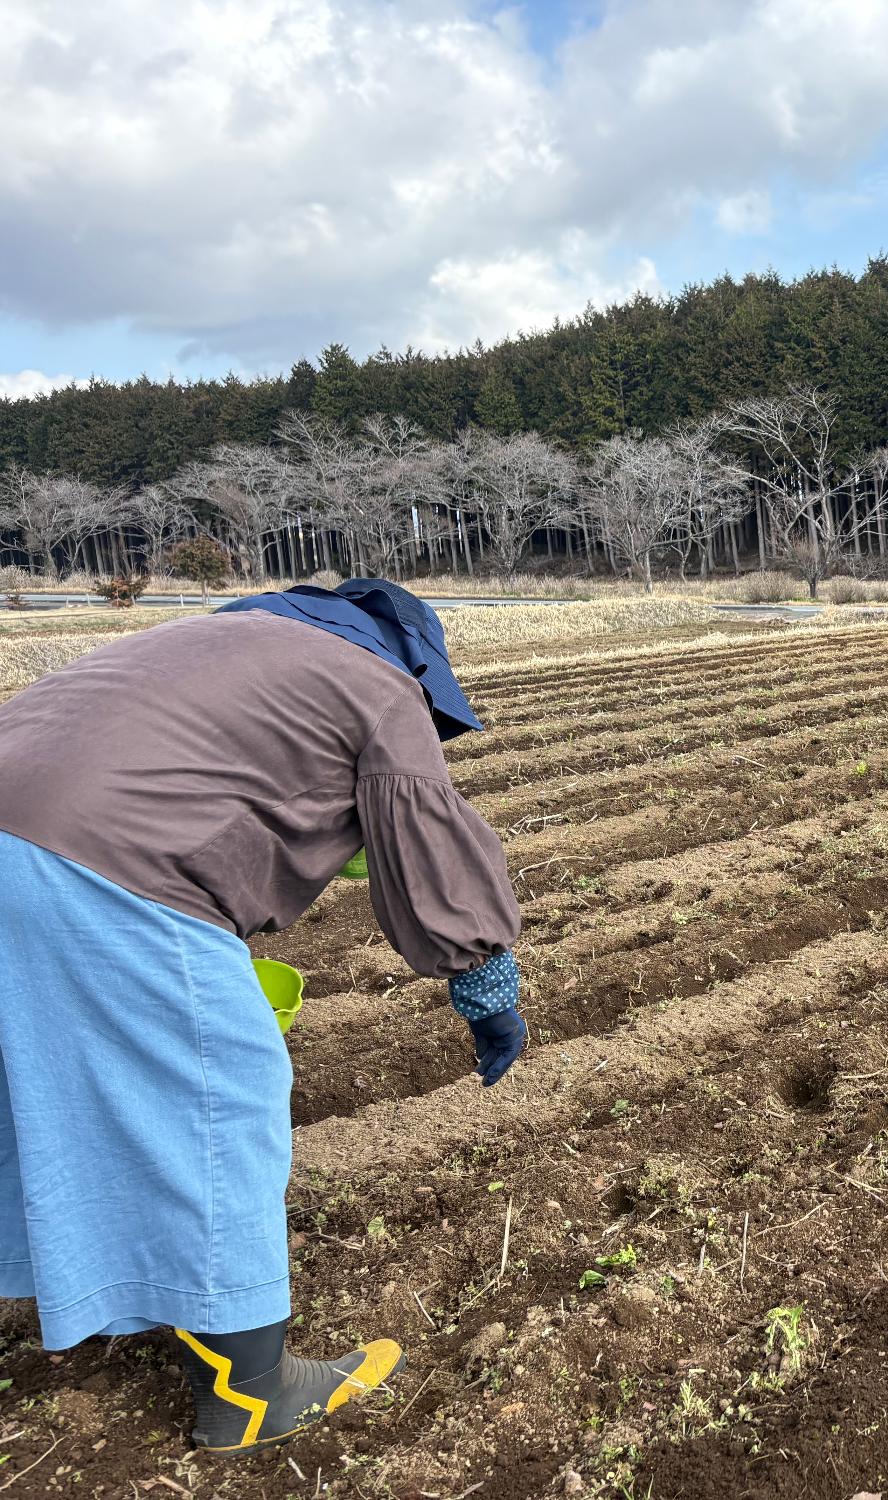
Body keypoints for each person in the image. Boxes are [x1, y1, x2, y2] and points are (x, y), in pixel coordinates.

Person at [0, 579, 524, 1452]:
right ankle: (251, 1393)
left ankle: (77, 1285)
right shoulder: (380, 686)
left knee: (31, 1083)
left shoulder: (205, 643)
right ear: (419, 666)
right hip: (114, 864)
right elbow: (428, 845)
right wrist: (486, 988)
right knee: (218, 1092)